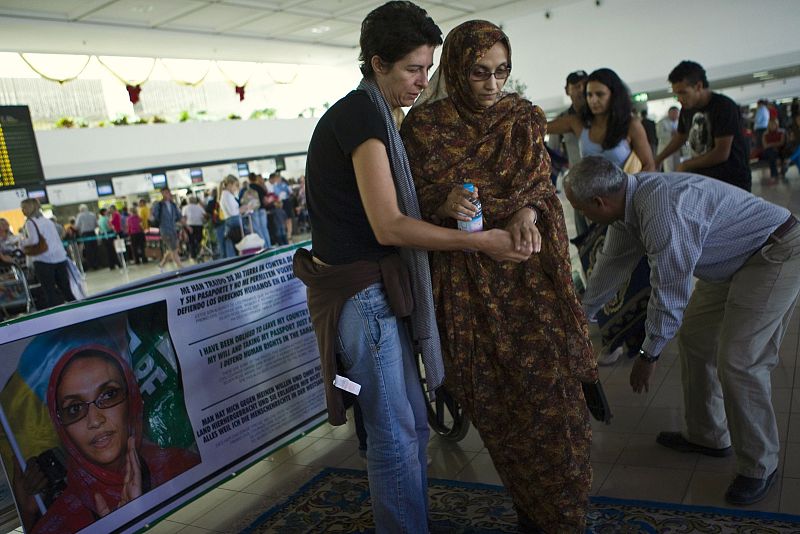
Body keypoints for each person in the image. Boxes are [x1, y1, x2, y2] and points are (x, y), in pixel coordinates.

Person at [293, 4, 528, 532]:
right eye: (412, 70)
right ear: (377, 63)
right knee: (394, 435)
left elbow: (384, 211)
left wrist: (440, 208)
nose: (423, 82)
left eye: (428, 68)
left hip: (376, 290)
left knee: (410, 426)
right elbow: (389, 227)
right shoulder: (361, 116)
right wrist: (479, 243)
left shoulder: (380, 115)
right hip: (361, 296)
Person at [399, 20, 597, 531]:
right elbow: (407, 200)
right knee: (501, 408)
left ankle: (565, 512)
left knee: (558, 405)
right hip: (470, 292)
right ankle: (532, 509)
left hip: (531, 282)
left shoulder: (523, 118)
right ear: (458, 71)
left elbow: (538, 188)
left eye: (501, 72)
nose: (492, 85)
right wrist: (442, 200)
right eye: (479, 73)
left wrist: (527, 215)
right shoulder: (424, 128)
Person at [564, 155, 800, 506]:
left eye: (579, 208)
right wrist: (576, 321)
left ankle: (759, 465)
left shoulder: (661, 212)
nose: (582, 216)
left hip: (774, 252)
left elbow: (671, 291)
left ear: (599, 202)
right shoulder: (626, 211)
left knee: (739, 360)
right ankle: (708, 435)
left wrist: (649, 353)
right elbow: (608, 270)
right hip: (731, 259)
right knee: (696, 337)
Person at [13, 346, 200, 533]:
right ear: (61, 427)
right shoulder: (58, 524)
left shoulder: (183, 467)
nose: (95, 420)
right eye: (74, 409)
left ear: (132, 398)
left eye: (109, 395)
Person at [548, 67, 655, 365]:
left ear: (613, 94)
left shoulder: (630, 125)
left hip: (624, 210)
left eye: (599, 94)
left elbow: (650, 165)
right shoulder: (578, 122)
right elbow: (539, 125)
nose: (593, 100)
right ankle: (613, 336)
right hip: (589, 209)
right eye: (589, 95)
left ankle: (637, 335)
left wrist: (627, 196)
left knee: (630, 271)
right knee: (596, 267)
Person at [655, 60, 751, 191]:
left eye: (683, 92)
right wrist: (658, 159)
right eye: (676, 94)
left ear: (698, 86)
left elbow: (721, 153)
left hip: (732, 181)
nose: (679, 98)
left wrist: (686, 165)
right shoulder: (686, 109)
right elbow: (680, 137)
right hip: (705, 180)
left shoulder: (723, 106)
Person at [548, 70, 589, 235]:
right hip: (577, 183)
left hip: (603, 181)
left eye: (584, 85)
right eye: (576, 86)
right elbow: (552, 151)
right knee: (584, 232)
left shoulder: (598, 115)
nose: (581, 89)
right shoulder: (563, 119)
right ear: (567, 90)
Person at [19, 198, 75, 310]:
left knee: (49, 290)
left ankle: (56, 315)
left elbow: (34, 240)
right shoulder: (47, 221)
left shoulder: (30, 222)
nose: (22, 210)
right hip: (59, 257)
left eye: (24, 207)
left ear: (30, 207)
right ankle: (76, 309)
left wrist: (21, 242)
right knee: (65, 288)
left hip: (43, 259)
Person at [218, 175, 250, 258]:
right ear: (230, 184)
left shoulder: (227, 195)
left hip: (233, 221)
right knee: (238, 246)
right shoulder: (226, 196)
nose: (236, 188)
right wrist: (242, 209)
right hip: (233, 222)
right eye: (236, 185)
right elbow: (233, 212)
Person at [152, 187, 183, 270]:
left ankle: (161, 264)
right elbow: (154, 216)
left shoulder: (173, 204)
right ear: (162, 194)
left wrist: (185, 226)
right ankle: (181, 267)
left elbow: (179, 216)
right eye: (165, 193)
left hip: (173, 229)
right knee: (174, 249)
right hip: (165, 230)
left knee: (173, 248)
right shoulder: (159, 205)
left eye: (168, 192)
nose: (167, 194)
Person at [657, 106, 681, 171]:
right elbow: (659, 135)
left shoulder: (679, 122)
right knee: (668, 166)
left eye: (676, 113)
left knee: (677, 165)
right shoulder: (662, 122)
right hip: (666, 147)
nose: (675, 115)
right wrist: (671, 134)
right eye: (673, 113)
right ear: (669, 113)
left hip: (676, 147)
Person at [74, 204, 98, 270]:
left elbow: (77, 226)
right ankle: (96, 264)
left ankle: (91, 265)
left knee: (88, 250)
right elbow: (96, 225)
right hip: (93, 233)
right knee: (95, 249)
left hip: (85, 234)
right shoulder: (92, 214)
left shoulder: (80, 216)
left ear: (81, 210)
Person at [181, 196, 206, 260]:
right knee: (199, 239)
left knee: (191, 241)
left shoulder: (185, 208)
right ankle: (200, 252)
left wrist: (184, 227)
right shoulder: (199, 207)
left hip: (190, 226)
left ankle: (193, 255)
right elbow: (204, 215)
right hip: (199, 225)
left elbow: (184, 217)